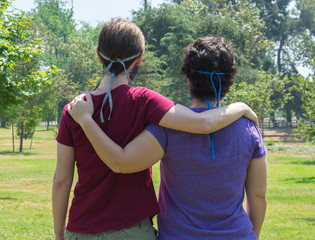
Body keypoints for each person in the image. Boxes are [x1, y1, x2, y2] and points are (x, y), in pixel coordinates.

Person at [53, 18, 258, 240]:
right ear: (140, 58)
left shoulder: (73, 110)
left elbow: (62, 180)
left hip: (81, 228)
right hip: (132, 230)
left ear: (98, 55)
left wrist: (59, 234)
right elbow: (202, 123)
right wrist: (241, 107)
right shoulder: (144, 101)